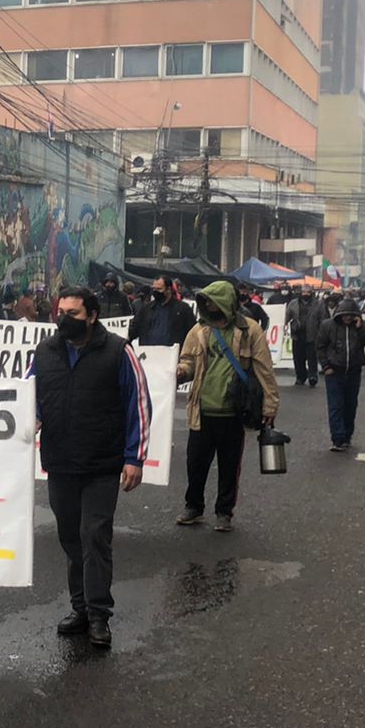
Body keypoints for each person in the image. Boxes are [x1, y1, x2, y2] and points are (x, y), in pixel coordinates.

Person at [31, 286, 151, 649]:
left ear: (93, 316)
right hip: (60, 462)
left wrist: (134, 458)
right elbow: (26, 395)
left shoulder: (117, 351)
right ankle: (80, 608)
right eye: (61, 311)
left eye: (74, 314)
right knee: (70, 537)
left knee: (94, 534)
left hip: (102, 464)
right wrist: (30, 418)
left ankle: (99, 615)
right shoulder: (45, 352)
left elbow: (139, 403)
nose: (65, 319)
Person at [177, 281, 279, 531]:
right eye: (205, 301)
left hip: (234, 411)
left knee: (229, 465)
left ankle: (224, 512)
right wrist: (179, 372)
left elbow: (264, 370)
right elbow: (188, 361)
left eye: (213, 300)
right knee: (195, 463)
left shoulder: (250, 330)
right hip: (201, 410)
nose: (208, 306)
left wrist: (270, 406)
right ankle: (194, 506)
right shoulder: (198, 331)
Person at [318, 297, 365, 451]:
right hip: (334, 371)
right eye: (345, 315)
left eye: (351, 315)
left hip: (354, 372)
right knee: (336, 406)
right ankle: (337, 438)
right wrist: (325, 366)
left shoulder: (361, 326)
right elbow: (321, 346)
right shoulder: (328, 326)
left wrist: (361, 327)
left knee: (350, 405)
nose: (347, 318)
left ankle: (347, 436)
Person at [130, 274, 196, 347]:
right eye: (154, 289)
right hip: (149, 354)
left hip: (173, 355)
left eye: (159, 289)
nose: (155, 292)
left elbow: (192, 333)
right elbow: (134, 330)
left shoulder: (183, 309)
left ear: (168, 289)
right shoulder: (146, 309)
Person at [287, 287, 324, 388]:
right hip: (297, 335)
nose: (306, 294)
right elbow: (287, 316)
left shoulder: (318, 304)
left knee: (312, 358)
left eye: (308, 292)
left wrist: (321, 333)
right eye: (304, 292)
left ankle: (313, 376)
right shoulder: (293, 303)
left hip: (312, 335)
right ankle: (300, 377)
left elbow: (322, 319)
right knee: (298, 358)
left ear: (311, 293)